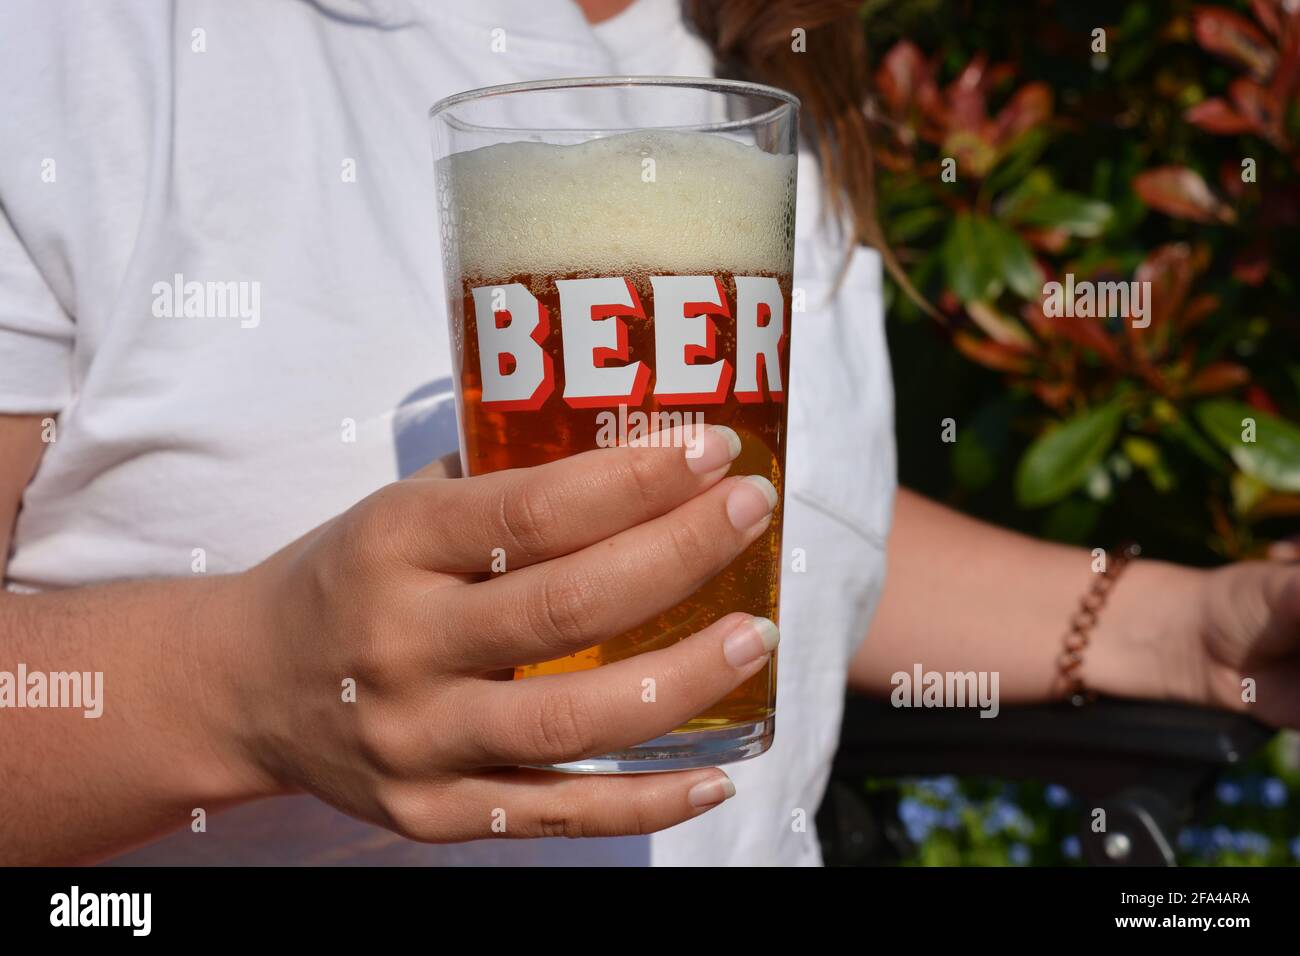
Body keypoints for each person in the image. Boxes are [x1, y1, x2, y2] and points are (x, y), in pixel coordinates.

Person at [0, 0, 1295, 867]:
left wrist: (1185, 628)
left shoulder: (754, 52)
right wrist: (240, 691)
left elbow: (760, 515)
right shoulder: (91, 41)